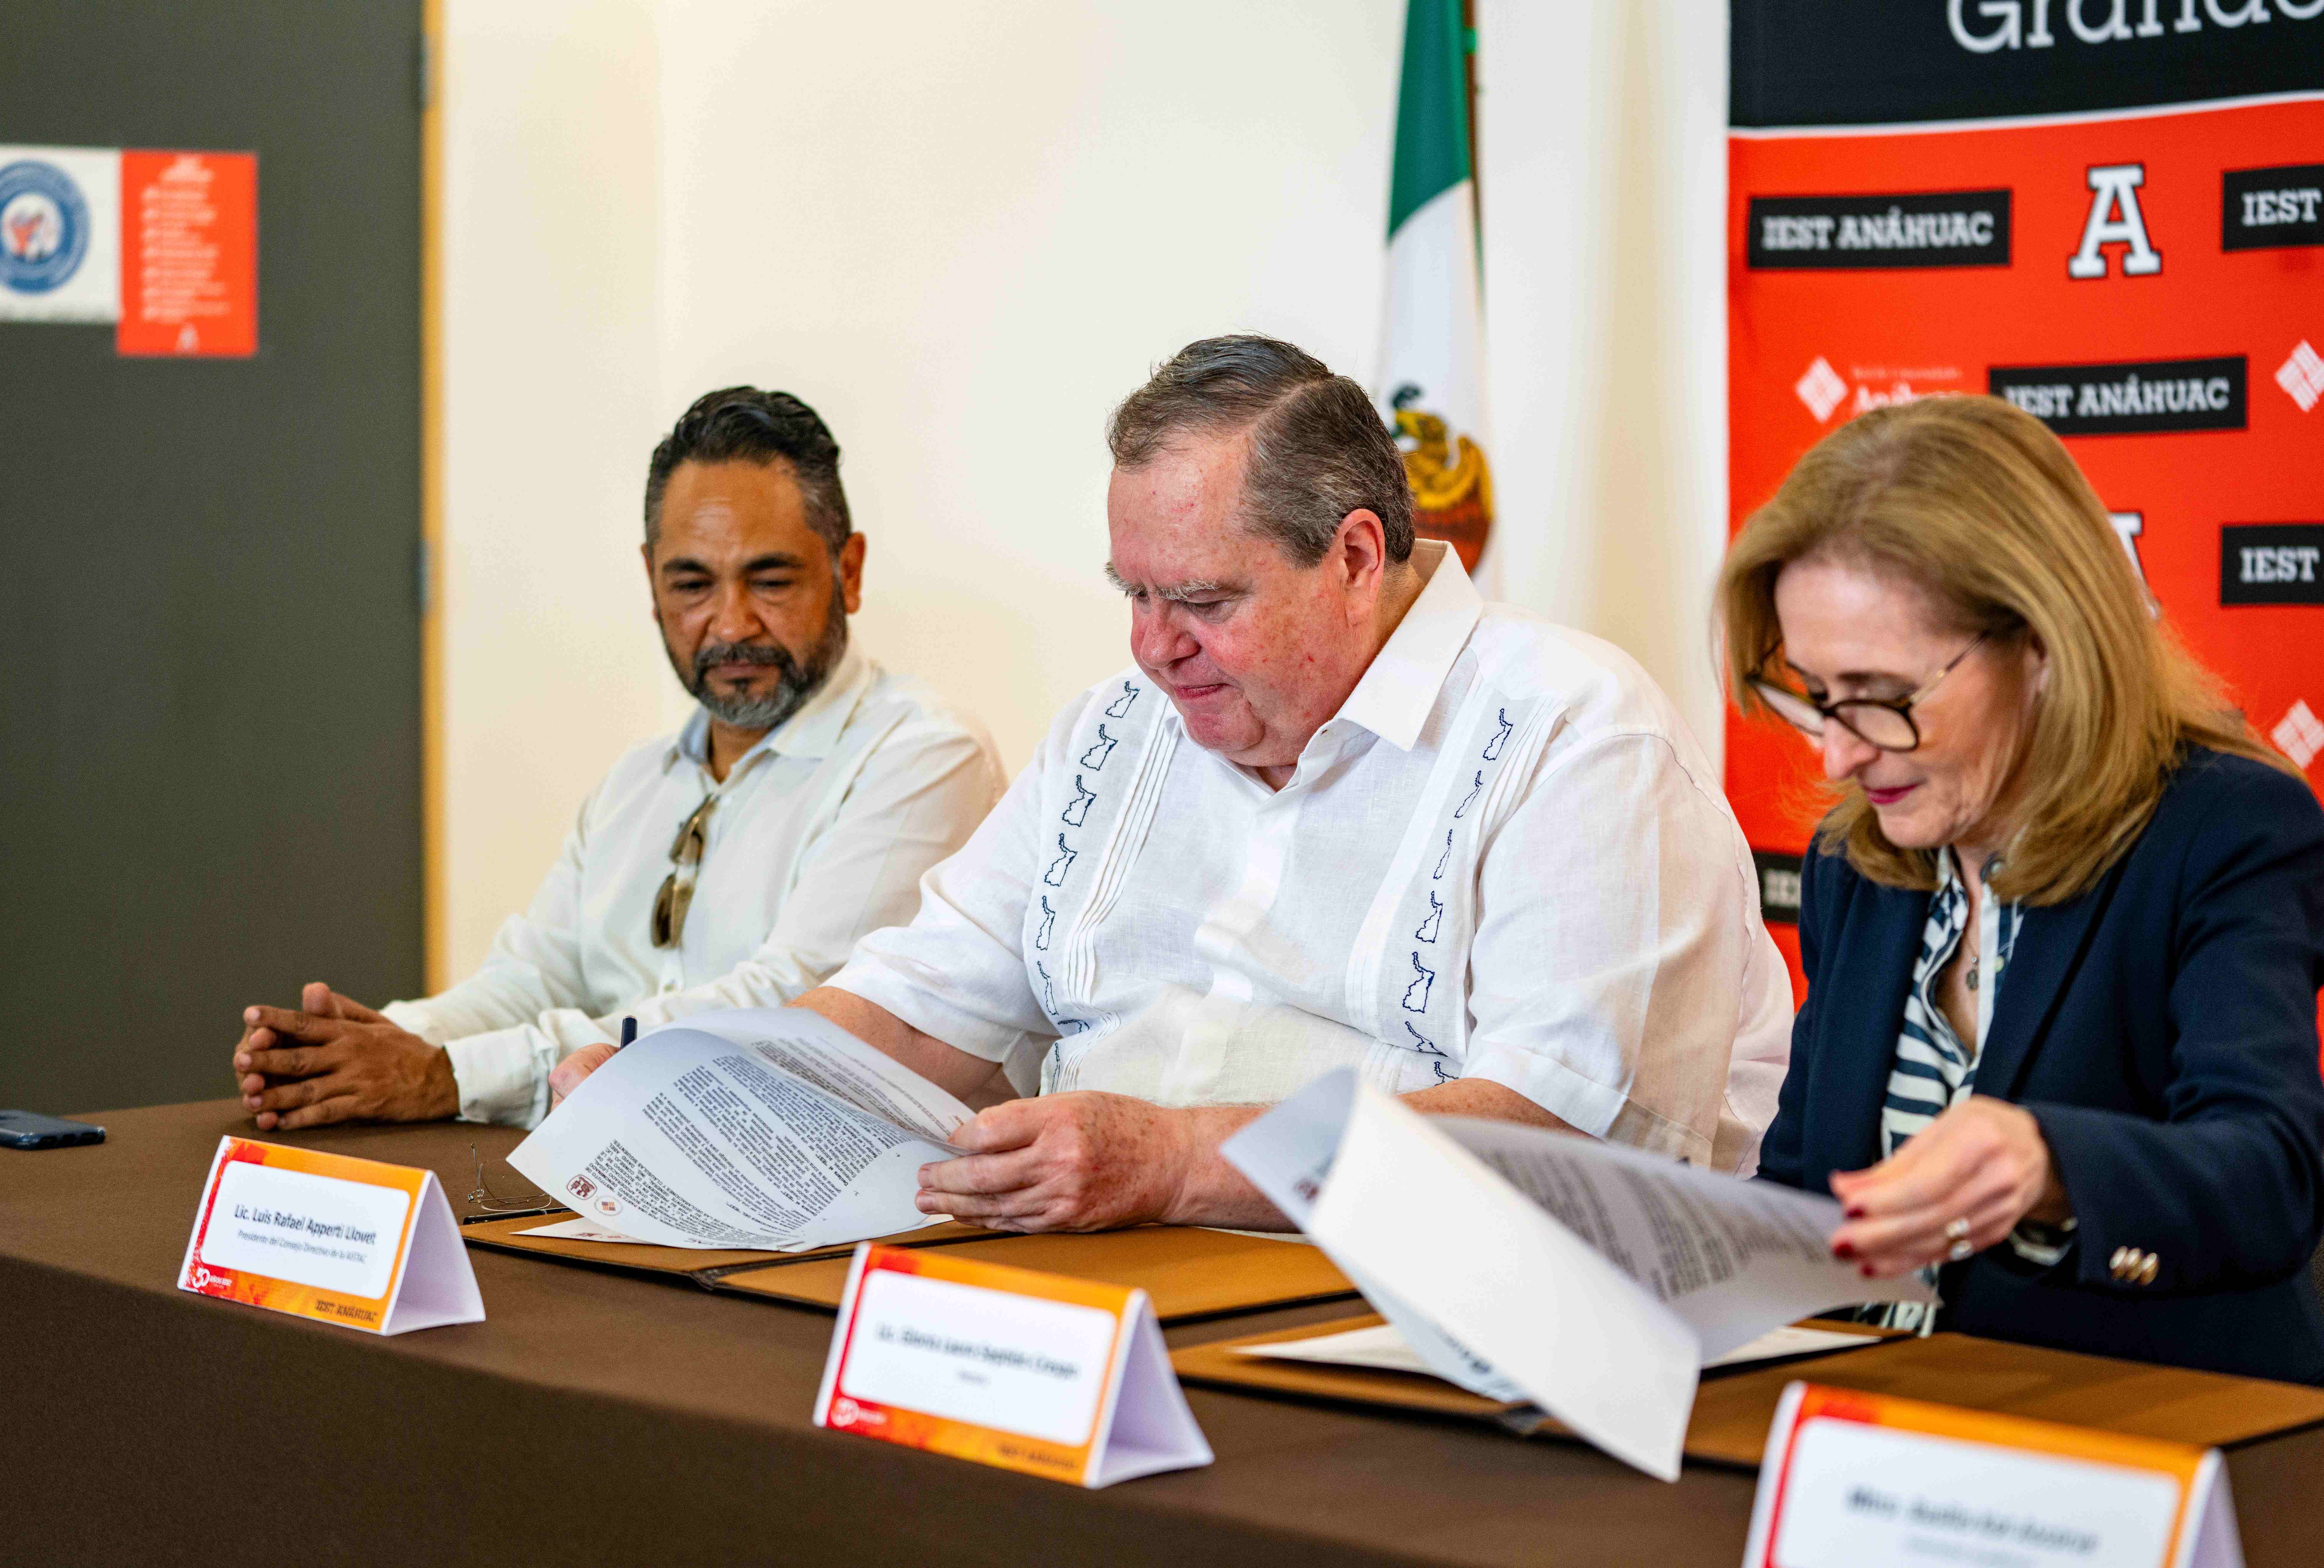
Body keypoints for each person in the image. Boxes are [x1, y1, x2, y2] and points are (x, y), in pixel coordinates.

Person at [556, 334, 1791, 1229]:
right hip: (1109, 1298)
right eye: (1133, 595)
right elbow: (911, 1008)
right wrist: (683, 1080)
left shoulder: (1573, 736)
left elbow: (1555, 1137)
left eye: (1202, 601)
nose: (1153, 647)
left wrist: (1178, 1162)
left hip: (1445, 1339)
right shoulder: (1115, 728)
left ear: (1356, 556)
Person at [1725, 394, 2324, 1382]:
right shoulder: (1857, 862)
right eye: (1819, 697)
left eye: (1882, 698)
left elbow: (2272, 1176)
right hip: (1871, 1426)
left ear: (2043, 647)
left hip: (2154, 1440)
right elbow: (1805, 1190)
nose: (1836, 752)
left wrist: (2052, 1166)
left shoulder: (2226, 833)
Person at [231, 388, 1003, 1131]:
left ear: (850, 571)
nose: (731, 624)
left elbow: (790, 1007)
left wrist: (450, 1075)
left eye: (770, 580)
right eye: (692, 584)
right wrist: (368, 1044)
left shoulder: (926, 756)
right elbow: (533, 977)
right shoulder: (635, 785)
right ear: (651, 582)